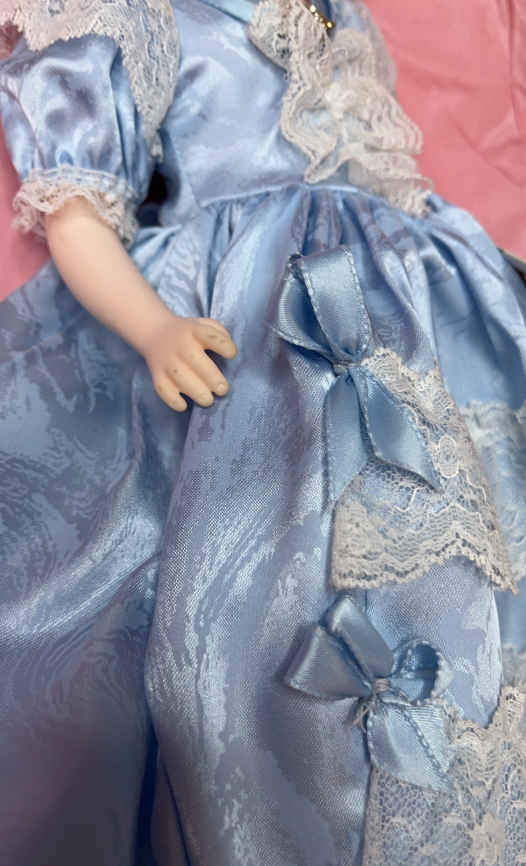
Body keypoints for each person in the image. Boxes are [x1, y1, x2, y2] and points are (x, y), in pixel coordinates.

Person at [1, 1, 525, 863]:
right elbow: (78, 212)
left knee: (456, 550)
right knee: (263, 581)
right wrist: (154, 329)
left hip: (406, 308)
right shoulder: (133, 15)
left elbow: (388, 177)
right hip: (255, 311)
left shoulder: (338, 14)